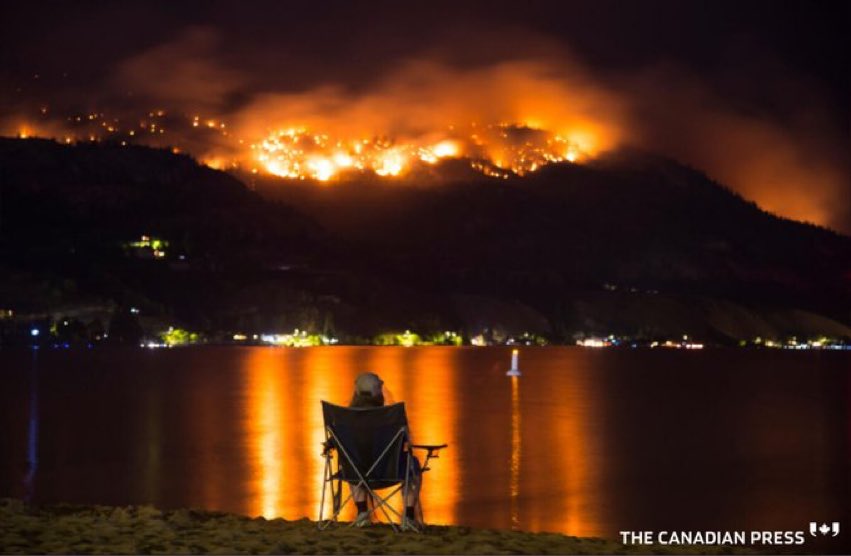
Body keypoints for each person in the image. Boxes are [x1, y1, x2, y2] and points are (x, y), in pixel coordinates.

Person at [349, 371, 422, 530]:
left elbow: (335, 445)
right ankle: (408, 516)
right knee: (413, 464)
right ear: (379, 393)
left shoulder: (345, 419)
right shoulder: (391, 418)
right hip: (389, 473)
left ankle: (362, 513)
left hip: (357, 474)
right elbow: (406, 443)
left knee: (351, 461)